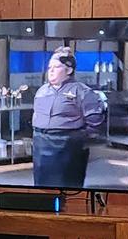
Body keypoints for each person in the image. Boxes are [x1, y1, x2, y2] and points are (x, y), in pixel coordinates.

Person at [30, 46, 106, 189]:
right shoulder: (42, 91)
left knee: (66, 186)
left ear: (69, 70)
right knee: (41, 185)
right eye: (49, 67)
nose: (50, 71)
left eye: (56, 67)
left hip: (67, 146)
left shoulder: (82, 91)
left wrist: (77, 138)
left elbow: (96, 120)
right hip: (41, 144)